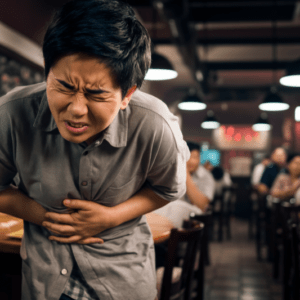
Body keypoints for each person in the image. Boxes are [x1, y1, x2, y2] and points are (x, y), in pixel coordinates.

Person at [0, 1, 189, 299]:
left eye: (95, 94)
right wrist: (46, 217)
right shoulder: (12, 113)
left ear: (127, 94)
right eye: (63, 86)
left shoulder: (155, 124)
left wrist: (111, 217)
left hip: (123, 279)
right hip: (44, 279)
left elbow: (169, 189)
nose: (76, 110)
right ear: (47, 73)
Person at [184, 142, 215, 211]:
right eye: (187, 157)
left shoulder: (206, 176)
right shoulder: (173, 172)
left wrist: (185, 173)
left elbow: (202, 204)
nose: (191, 161)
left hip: (195, 217)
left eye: (195, 157)